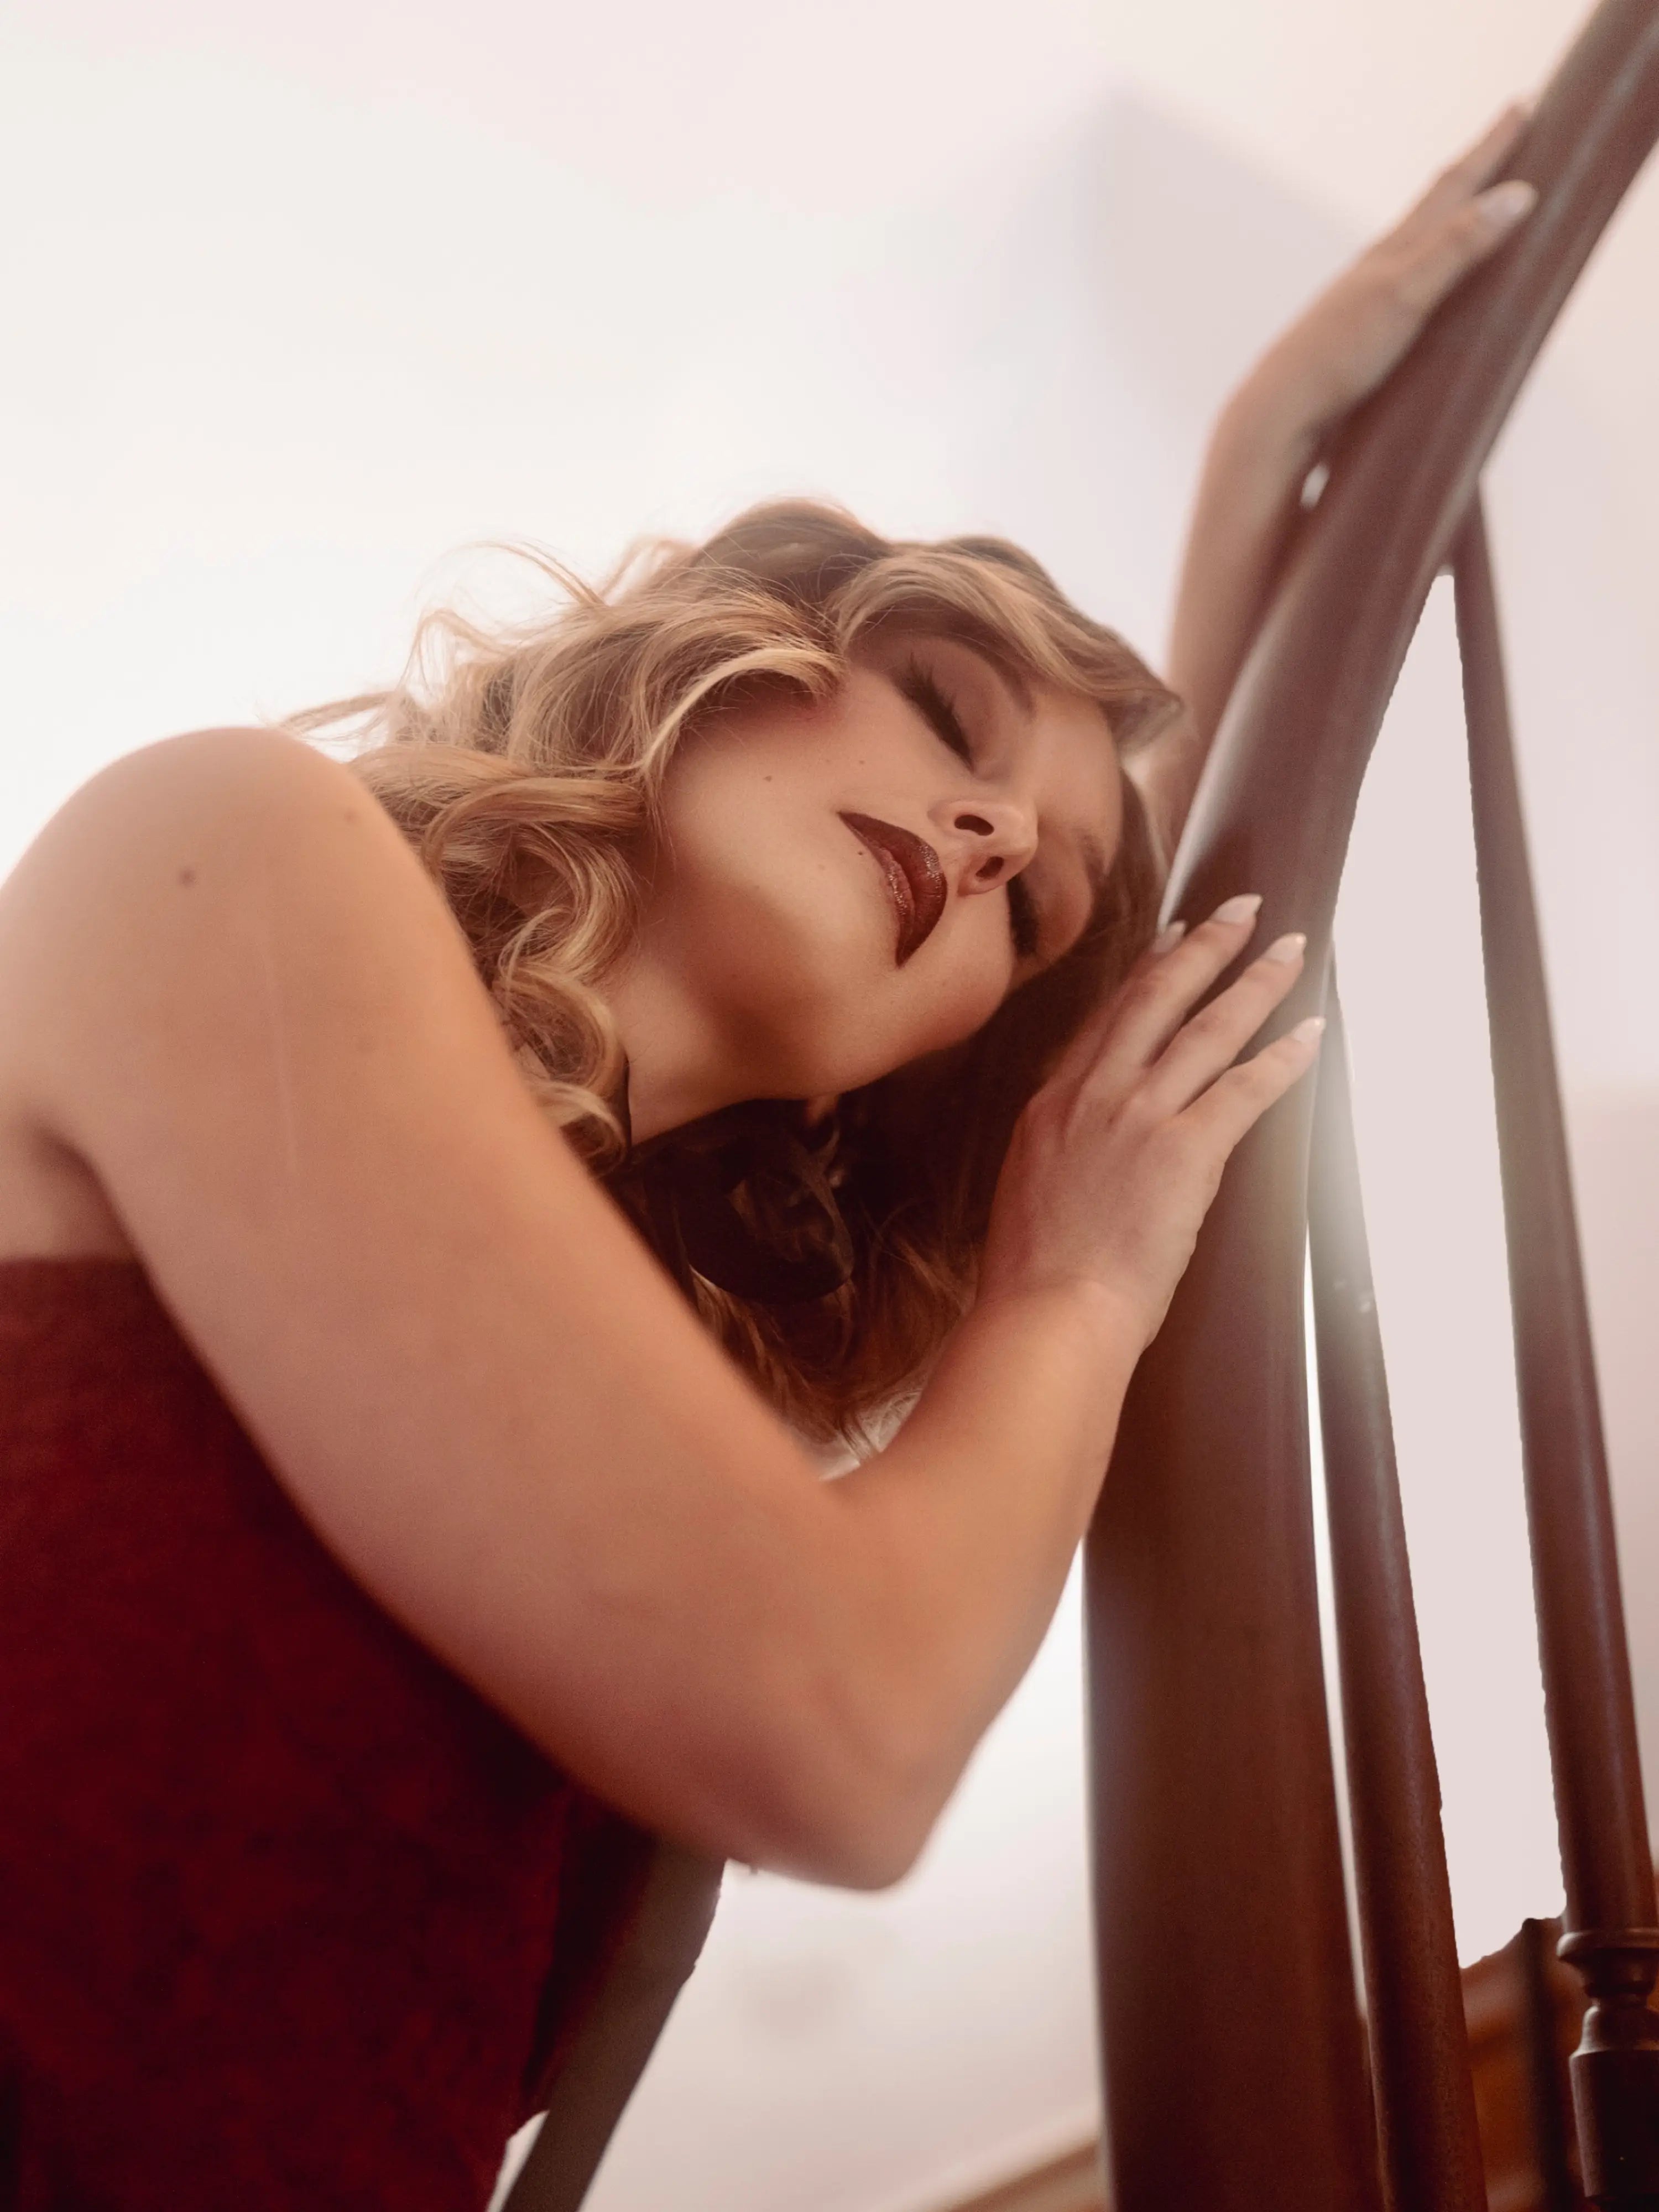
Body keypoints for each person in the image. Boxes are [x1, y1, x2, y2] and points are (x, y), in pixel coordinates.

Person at [0, 111, 1535, 2209]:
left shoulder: (642, 1417)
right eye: (950, 711)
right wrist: (1073, 1290)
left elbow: (1164, 1001)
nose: (989, 839)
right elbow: (849, 1727)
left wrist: (1257, 494)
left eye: (1032, 911)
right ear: (733, 654)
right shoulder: (224, 848)